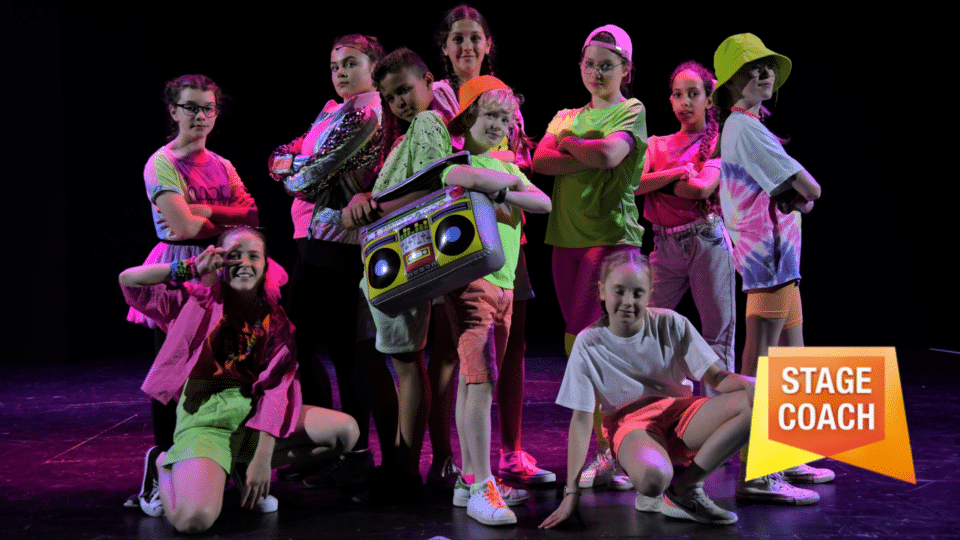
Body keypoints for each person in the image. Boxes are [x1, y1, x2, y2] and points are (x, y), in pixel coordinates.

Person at [120, 227, 359, 534]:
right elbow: (129, 280)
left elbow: (276, 392)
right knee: (193, 521)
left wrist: (261, 458)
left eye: (253, 255)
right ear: (219, 262)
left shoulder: (276, 322)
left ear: (265, 265)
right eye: (234, 256)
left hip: (249, 420)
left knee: (346, 432)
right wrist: (192, 268)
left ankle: (239, 466)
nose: (244, 262)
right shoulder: (193, 302)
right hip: (205, 425)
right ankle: (162, 463)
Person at [540, 250, 754, 528]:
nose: (628, 302)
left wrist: (757, 385)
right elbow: (581, 420)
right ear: (603, 291)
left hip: (680, 416)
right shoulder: (588, 343)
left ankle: (685, 491)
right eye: (619, 292)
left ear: (650, 293)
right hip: (632, 426)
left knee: (759, 402)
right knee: (654, 479)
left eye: (637, 293)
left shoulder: (671, 322)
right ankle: (654, 485)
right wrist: (571, 492)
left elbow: (717, 377)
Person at [126, 74, 259, 514]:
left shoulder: (222, 165)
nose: (200, 116)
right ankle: (160, 462)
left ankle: (227, 467)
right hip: (178, 274)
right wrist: (223, 220)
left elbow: (253, 214)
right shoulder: (160, 163)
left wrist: (205, 210)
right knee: (172, 374)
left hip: (223, 274)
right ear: (173, 110)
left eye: (208, 108)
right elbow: (182, 228)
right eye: (191, 107)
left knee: (225, 370)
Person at [431, 4, 551, 488]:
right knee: (470, 372)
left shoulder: (505, 151)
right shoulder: (451, 126)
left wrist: (502, 185)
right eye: (457, 38)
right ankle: (473, 478)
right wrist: (497, 183)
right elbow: (455, 170)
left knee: (490, 367)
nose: (499, 123)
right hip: (470, 271)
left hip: (505, 265)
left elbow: (539, 199)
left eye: (505, 117)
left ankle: (483, 471)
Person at [711, 33, 832, 503]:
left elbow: (794, 192)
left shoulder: (751, 127)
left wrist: (800, 197)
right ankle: (756, 472)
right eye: (750, 68)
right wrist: (804, 195)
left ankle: (780, 454)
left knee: (791, 361)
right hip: (768, 262)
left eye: (766, 67)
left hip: (783, 261)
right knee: (761, 367)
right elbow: (811, 189)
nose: (762, 73)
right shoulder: (744, 128)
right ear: (730, 83)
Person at [531, 24, 646, 490]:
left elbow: (609, 156)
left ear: (625, 70)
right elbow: (539, 162)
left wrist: (571, 147)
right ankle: (604, 446)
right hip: (566, 239)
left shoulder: (631, 110)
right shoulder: (565, 113)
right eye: (590, 63)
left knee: (603, 343)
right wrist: (583, 151)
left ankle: (617, 447)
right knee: (575, 342)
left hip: (611, 236)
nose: (597, 72)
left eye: (607, 64)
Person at [267, 34, 385, 486]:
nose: (340, 72)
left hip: (339, 241)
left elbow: (306, 175)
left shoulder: (366, 111)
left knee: (337, 349)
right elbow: (280, 157)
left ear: (373, 66)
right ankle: (333, 446)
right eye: (335, 64)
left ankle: (351, 453)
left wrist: (299, 169)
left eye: (350, 63)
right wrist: (297, 166)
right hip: (314, 237)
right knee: (304, 344)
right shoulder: (331, 110)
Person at [635, 61, 736, 394]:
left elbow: (701, 189)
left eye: (694, 94)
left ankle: (717, 418)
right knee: (643, 323)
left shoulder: (719, 141)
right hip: (665, 246)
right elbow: (633, 185)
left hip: (706, 241)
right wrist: (676, 173)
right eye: (678, 95)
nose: (685, 102)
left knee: (716, 335)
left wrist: (660, 184)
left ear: (709, 99)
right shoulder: (657, 145)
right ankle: (656, 405)